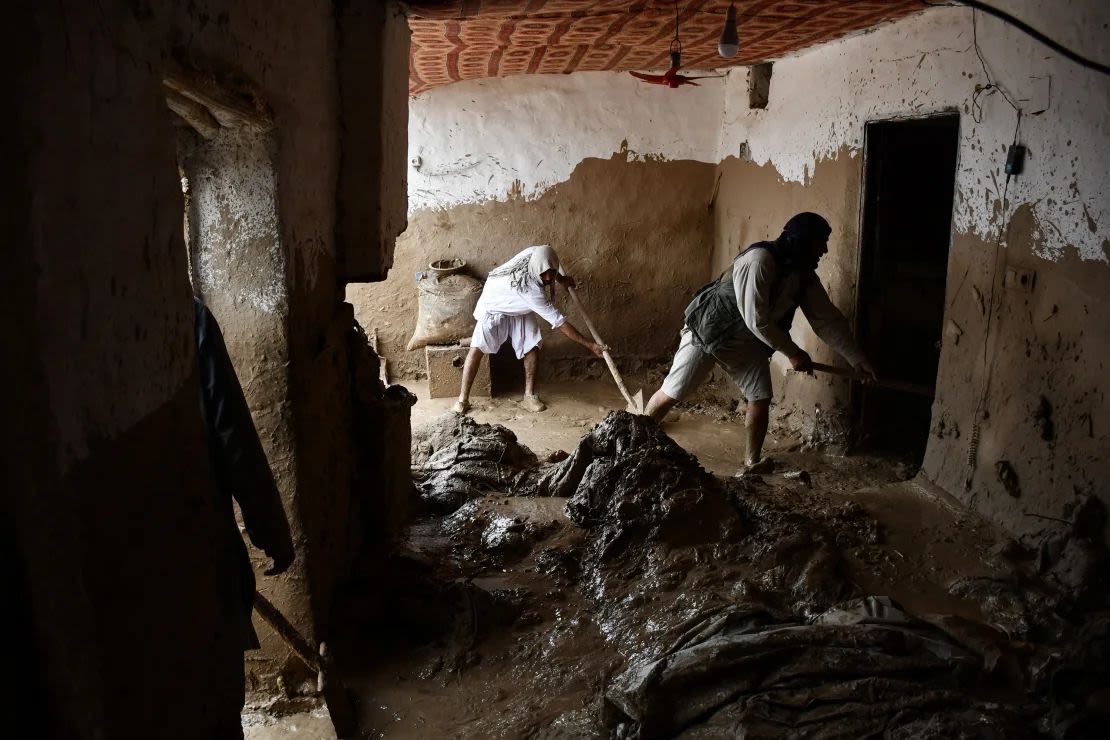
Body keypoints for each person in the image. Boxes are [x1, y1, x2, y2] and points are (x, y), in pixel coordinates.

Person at [644, 212, 876, 474]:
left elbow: (828, 322)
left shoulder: (804, 279)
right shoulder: (759, 260)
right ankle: (636, 437)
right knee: (674, 391)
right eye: (819, 242)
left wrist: (858, 359)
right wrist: (793, 352)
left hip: (747, 342)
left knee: (760, 397)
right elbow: (757, 319)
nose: (823, 250)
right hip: (710, 330)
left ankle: (751, 462)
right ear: (801, 241)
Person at [194, 297, 295, 738]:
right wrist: (271, 530)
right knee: (213, 696)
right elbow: (231, 430)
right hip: (196, 556)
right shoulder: (185, 316)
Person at [454, 245, 604, 414]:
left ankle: (529, 396)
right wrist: (590, 345)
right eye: (544, 274)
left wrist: (561, 279)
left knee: (531, 344)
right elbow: (560, 323)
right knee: (478, 347)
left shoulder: (537, 253)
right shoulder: (531, 292)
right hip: (495, 302)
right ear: (536, 269)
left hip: (519, 304)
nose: (548, 277)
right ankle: (462, 400)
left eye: (551, 272)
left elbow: (548, 265)